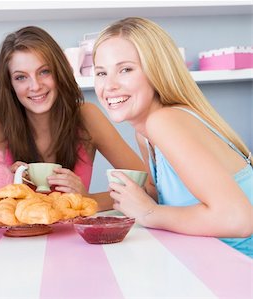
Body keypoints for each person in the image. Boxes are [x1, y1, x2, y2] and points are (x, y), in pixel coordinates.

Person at [93, 17, 252, 257]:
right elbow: (179, 196)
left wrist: (148, 213)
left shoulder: (164, 122)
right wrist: (140, 196)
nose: (109, 85)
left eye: (125, 69)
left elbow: (238, 220)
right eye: (101, 73)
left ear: (156, 71)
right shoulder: (145, 134)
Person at [0, 25, 145, 211]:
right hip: (16, 240)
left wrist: (86, 199)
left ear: (59, 71)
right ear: (10, 84)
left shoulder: (86, 117)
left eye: (44, 71)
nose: (35, 86)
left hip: (74, 239)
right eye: (21, 77)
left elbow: (146, 186)